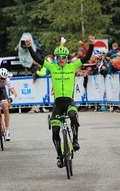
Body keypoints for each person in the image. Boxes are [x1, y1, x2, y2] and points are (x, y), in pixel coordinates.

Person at [25, 35, 95, 168]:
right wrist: (29, 47)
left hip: (69, 102)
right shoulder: (52, 67)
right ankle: (59, 155)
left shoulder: (73, 66)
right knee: (55, 130)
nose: (61, 60)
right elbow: (37, 59)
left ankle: (75, 140)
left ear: (67, 58)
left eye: (63, 57)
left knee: (73, 116)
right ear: (56, 59)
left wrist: (92, 45)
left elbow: (86, 58)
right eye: (59, 58)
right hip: (58, 104)